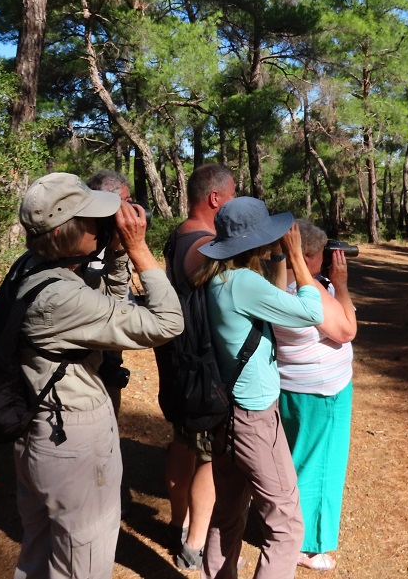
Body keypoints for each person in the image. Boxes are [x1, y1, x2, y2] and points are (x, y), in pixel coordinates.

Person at [13, 172, 184, 579]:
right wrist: (141, 249)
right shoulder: (60, 296)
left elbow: (100, 307)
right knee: (82, 561)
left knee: (40, 555)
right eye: (94, 220)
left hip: (42, 428)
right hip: (72, 439)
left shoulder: (33, 269)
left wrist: (117, 254)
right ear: (65, 233)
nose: (105, 224)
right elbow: (167, 322)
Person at [193, 196, 324, 579]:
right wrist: (299, 257)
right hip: (253, 419)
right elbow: (310, 314)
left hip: (226, 414)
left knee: (229, 513)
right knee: (286, 525)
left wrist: (279, 258)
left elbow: (273, 301)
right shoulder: (245, 284)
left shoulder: (216, 276)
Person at [154, 163, 236, 569]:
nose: (233, 204)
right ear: (215, 198)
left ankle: (176, 520)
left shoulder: (179, 233)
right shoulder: (205, 244)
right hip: (203, 365)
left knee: (183, 441)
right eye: (232, 196)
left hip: (180, 357)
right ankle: (195, 541)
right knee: (207, 455)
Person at [272, 219, 357, 572]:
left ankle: (283, 529)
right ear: (307, 256)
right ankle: (306, 547)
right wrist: (341, 285)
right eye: (321, 255)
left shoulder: (275, 284)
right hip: (324, 394)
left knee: (294, 462)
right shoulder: (313, 291)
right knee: (319, 468)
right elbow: (347, 328)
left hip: (291, 387)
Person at [86, 169, 133, 415]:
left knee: (113, 373)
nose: (131, 208)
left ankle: (111, 429)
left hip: (113, 326)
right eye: (126, 202)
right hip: (93, 324)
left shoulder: (113, 235)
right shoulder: (87, 235)